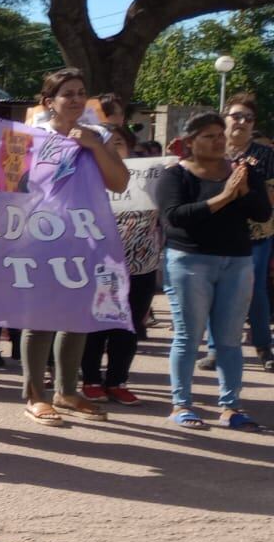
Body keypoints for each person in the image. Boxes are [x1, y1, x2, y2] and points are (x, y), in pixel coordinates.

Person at [19, 68, 131, 427]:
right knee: (39, 319)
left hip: (87, 238)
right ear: (49, 102)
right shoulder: (30, 137)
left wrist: (95, 146)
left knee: (78, 315)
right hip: (40, 237)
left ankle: (67, 391)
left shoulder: (99, 135)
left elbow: (119, 182)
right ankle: (34, 395)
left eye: (82, 92)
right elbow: (7, 185)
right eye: (68, 93)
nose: (77, 99)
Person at [157, 111, 271, 430]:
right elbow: (175, 216)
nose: (219, 140)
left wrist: (244, 188)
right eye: (209, 136)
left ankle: (230, 406)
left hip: (237, 261)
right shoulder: (175, 175)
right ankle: (181, 404)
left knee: (229, 339)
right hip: (189, 262)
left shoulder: (244, 172)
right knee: (188, 336)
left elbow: (262, 214)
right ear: (190, 142)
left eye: (221, 134)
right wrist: (224, 197)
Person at [79, 123, 160, 405]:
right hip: (99, 265)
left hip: (141, 265)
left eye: (118, 144)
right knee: (97, 325)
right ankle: (90, 379)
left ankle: (117, 380)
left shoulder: (150, 175)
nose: (112, 149)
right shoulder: (86, 177)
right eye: (105, 144)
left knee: (128, 326)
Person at [203, 94, 274, 372]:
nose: (242, 122)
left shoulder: (266, 156)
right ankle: (214, 348)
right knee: (214, 290)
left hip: (254, 234)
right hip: (214, 234)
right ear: (224, 118)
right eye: (236, 116)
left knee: (253, 291)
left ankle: (264, 347)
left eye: (248, 118)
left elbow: (270, 197)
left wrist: (244, 190)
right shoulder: (210, 151)